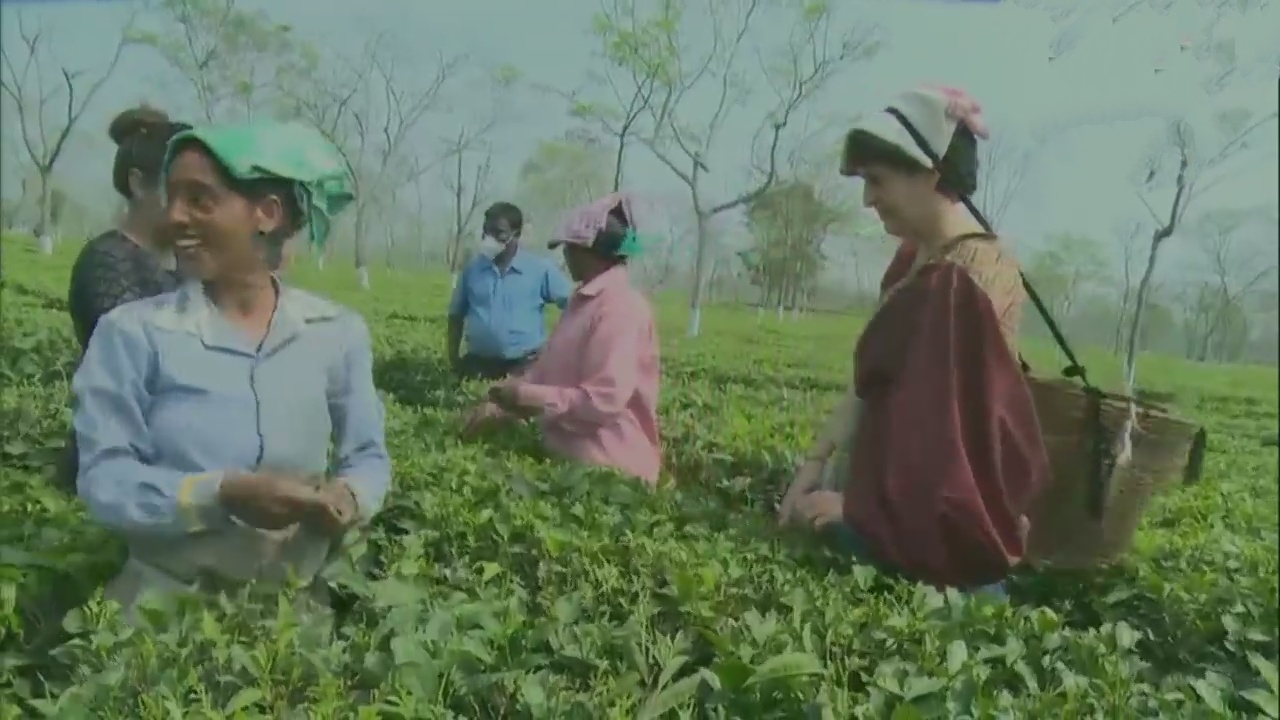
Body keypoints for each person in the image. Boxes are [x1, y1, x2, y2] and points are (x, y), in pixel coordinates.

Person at [71, 121, 391, 623]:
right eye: (172, 197)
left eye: (200, 199)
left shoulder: (337, 332)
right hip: (161, 614)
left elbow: (368, 456)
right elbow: (105, 478)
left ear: (266, 214)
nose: (176, 216)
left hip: (295, 619)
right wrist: (220, 494)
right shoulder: (132, 333)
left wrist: (348, 497)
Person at [777, 86, 1050, 596]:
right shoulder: (914, 261)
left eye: (877, 181)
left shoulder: (973, 275)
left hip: (939, 552)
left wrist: (858, 508)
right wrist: (814, 467)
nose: (868, 199)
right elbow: (869, 389)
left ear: (930, 172)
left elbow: (950, 447)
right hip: (884, 526)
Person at [463, 193, 662, 486]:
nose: (565, 256)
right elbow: (546, 372)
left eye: (569, 247)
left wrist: (527, 398)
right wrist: (501, 404)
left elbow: (603, 400)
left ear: (589, 249)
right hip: (571, 464)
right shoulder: (582, 302)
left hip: (611, 474)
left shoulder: (620, 308)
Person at [67, 106, 191, 352]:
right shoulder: (106, 262)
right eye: (181, 191)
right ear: (138, 184)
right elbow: (137, 353)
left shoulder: (189, 261)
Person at [447, 202, 573, 380]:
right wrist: (453, 357)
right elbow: (456, 315)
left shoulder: (539, 269)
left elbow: (574, 304)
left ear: (517, 234)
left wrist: (559, 347)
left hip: (525, 365)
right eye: (486, 232)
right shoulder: (472, 270)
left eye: (498, 233)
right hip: (478, 364)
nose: (490, 239)